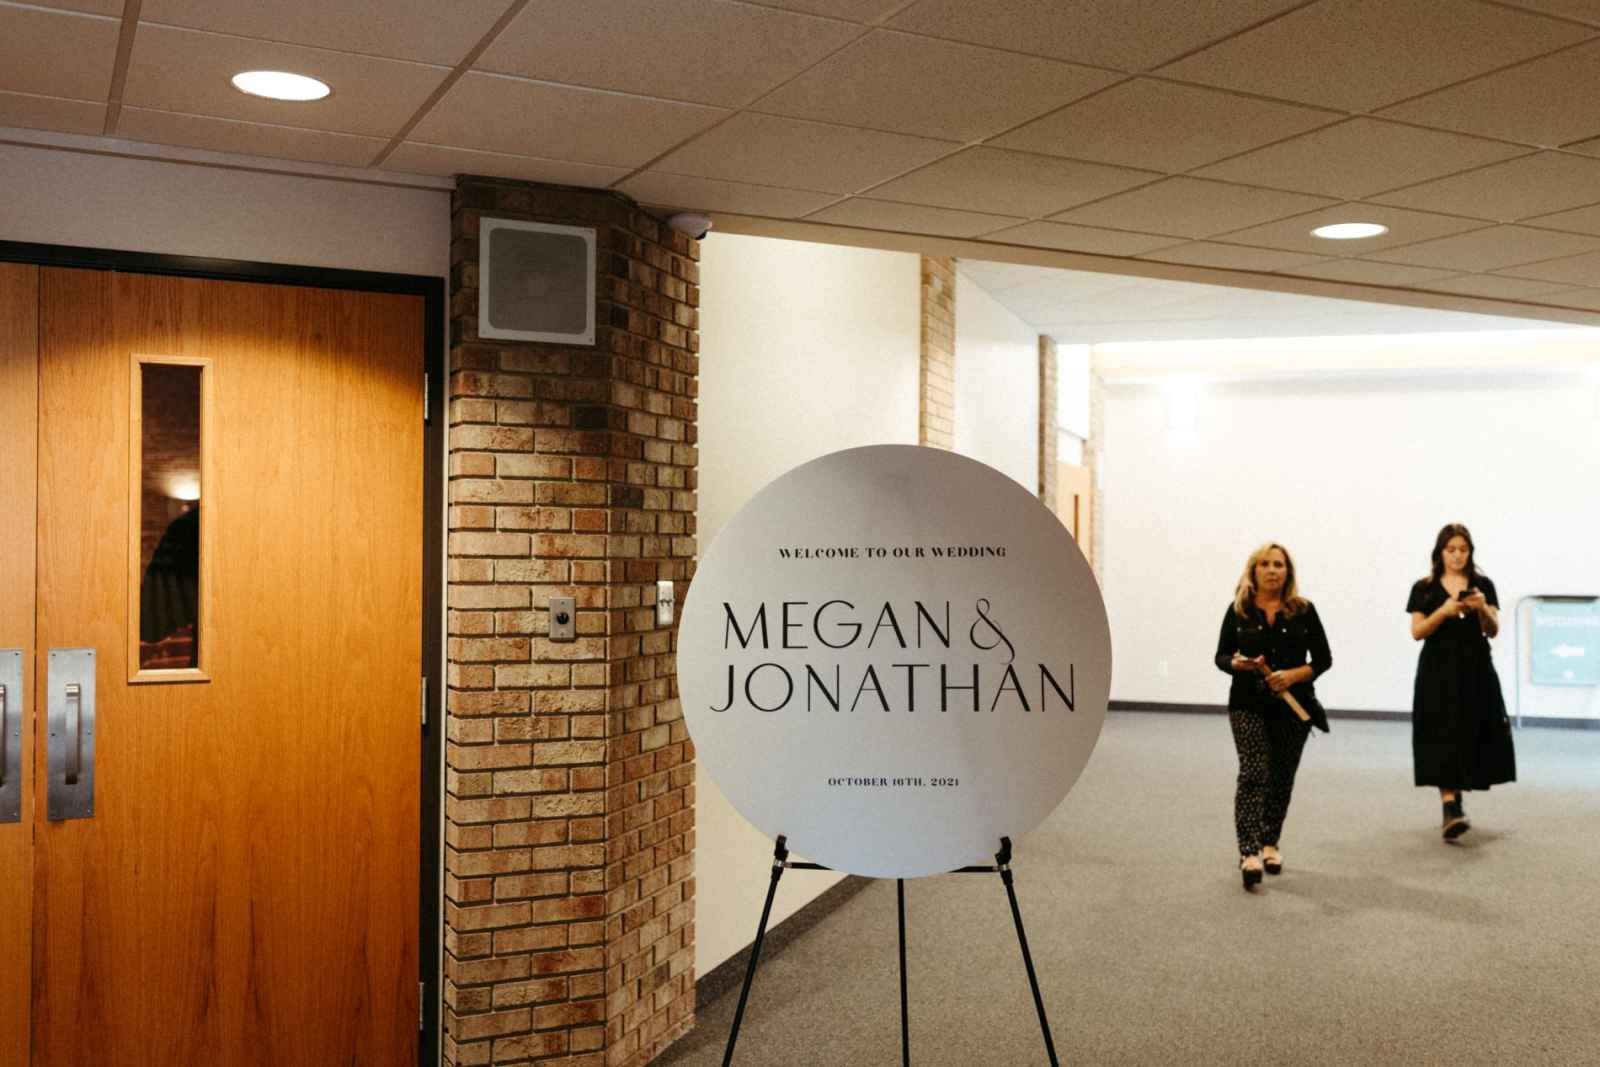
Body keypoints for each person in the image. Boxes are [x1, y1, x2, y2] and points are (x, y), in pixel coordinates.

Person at [1214, 542, 1332, 890]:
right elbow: (1221, 656)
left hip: (1292, 707)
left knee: (1281, 777)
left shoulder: (1304, 610)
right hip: (1247, 704)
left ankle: (1270, 844)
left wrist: (1293, 675)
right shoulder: (1239, 610)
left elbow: (1323, 659)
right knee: (1253, 773)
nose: (1271, 570)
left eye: (1278, 564)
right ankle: (1248, 852)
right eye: (1264, 564)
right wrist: (1236, 664)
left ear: (1287, 572)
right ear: (1253, 570)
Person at [1407, 523, 1516, 839]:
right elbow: (1417, 631)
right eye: (1451, 549)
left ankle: (1456, 801)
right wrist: (1444, 611)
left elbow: (1492, 629)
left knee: (1470, 730)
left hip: (1475, 668)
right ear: (1440, 552)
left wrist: (1482, 608)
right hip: (1437, 669)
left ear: (1470, 552)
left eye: (1463, 549)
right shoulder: (1424, 588)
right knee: (1441, 732)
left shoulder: (1483, 585)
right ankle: (1449, 804)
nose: (1457, 555)